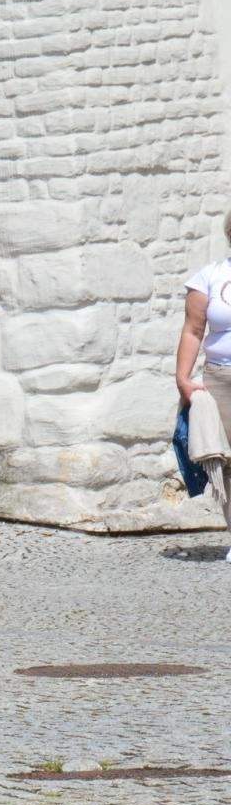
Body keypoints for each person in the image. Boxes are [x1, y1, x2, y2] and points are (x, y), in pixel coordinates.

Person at [176, 207, 231, 560]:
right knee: (227, 462)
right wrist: (183, 378)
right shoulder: (210, 276)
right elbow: (193, 330)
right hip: (222, 376)